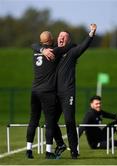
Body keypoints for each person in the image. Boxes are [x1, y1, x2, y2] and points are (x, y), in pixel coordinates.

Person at [32, 24, 97, 159]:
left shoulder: (72, 52)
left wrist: (91, 33)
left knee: (69, 120)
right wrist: (43, 50)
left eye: (64, 37)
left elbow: (83, 46)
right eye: (60, 36)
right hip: (54, 93)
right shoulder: (53, 50)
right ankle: (61, 144)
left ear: (68, 40)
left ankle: (74, 150)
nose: (61, 38)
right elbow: (34, 45)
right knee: (50, 121)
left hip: (67, 93)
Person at [26, 31, 74, 159]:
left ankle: (29, 150)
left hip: (34, 91)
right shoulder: (54, 52)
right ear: (51, 39)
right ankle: (48, 152)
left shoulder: (36, 51)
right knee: (50, 122)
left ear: (41, 41)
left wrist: (41, 49)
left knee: (33, 120)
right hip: (47, 92)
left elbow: (33, 45)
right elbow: (69, 47)